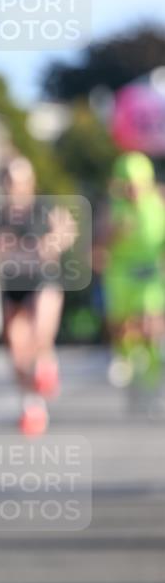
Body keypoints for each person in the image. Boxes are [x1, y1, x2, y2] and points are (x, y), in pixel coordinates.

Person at [0, 156, 78, 435]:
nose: (15, 187)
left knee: (40, 329)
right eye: (9, 181)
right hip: (12, 283)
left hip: (43, 279)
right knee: (17, 347)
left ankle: (47, 364)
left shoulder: (43, 208)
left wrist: (51, 243)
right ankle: (31, 405)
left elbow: (67, 229)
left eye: (20, 181)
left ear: (30, 183)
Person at [100, 151, 165, 402]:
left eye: (137, 184)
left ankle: (150, 376)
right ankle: (125, 355)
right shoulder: (113, 207)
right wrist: (115, 233)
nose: (133, 190)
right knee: (126, 328)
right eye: (128, 185)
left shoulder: (158, 203)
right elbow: (99, 246)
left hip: (149, 274)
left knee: (150, 324)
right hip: (121, 276)